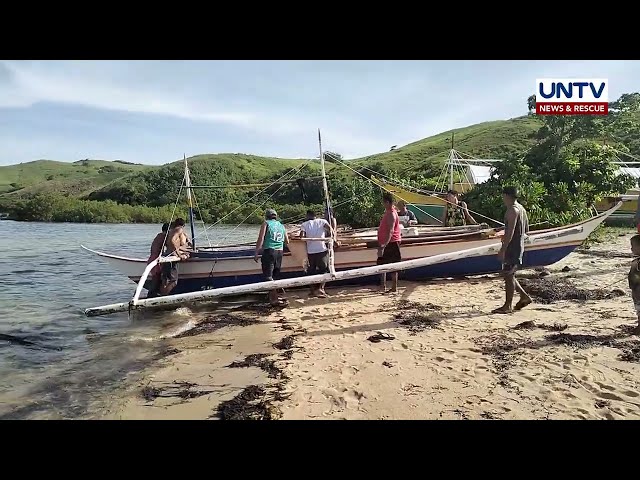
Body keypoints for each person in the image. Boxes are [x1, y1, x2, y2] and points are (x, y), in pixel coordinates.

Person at [492, 186, 532, 314]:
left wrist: (503, 249)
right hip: (518, 245)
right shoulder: (521, 208)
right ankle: (524, 296)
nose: (502, 198)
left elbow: (510, 232)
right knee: (509, 274)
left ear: (507, 196)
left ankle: (507, 305)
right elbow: (526, 230)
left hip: (512, 247)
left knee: (508, 275)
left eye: (503, 195)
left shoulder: (512, 210)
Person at [254, 208, 290, 306]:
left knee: (268, 276)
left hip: (270, 251)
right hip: (279, 251)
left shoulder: (266, 223)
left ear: (267, 216)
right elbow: (287, 241)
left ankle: (274, 298)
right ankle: (275, 295)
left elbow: (261, 238)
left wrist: (257, 252)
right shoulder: (281, 225)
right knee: (276, 275)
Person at [300, 209, 334, 298]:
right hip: (321, 249)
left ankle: (313, 290)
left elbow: (301, 236)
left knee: (311, 271)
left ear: (307, 216)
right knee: (325, 270)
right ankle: (320, 288)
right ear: (316, 215)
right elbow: (330, 230)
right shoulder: (322, 221)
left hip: (310, 251)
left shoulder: (304, 224)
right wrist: (331, 238)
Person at [377, 192, 402, 293]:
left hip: (391, 242)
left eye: (384, 202)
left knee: (393, 264)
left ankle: (393, 287)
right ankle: (383, 285)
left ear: (387, 202)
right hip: (386, 241)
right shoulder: (388, 212)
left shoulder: (391, 213)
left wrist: (384, 244)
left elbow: (391, 230)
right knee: (382, 263)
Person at [159, 218, 190, 296]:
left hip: (167, 255)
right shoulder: (179, 230)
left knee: (165, 280)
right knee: (174, 281)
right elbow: (172, 241)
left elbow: (170, 242)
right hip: (172, 257)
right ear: (183, 225)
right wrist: (179, 254)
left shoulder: (171, 230)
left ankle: (160, 295)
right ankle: (163, 297)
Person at [146, 222, 169, 298]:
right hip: (156, 259)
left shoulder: (159, 235)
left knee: (156, 277)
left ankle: (153, 294)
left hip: (152, 258)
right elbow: (170, 246)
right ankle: (151, 295)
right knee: (156, 278)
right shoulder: (164, 236)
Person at [628, 235, 640, 335]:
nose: (631, 248)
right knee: (638, 308)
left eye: (633, 246)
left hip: (638, 290)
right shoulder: (636, 261)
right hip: (635, 290)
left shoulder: (638, 262)